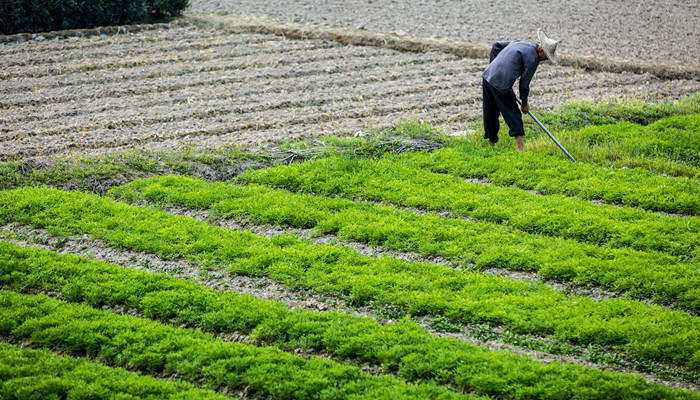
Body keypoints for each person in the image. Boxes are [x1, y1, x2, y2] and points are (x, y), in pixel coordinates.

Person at [481, 30, 559, 150]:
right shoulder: (533, 59)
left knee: (490, 110)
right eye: (547, 56)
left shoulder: (519, 43)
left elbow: (496, 46)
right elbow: (524, 83)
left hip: (487, 77)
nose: (546, 59)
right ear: (541, 50)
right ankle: (520, 148)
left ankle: (491, 144)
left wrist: (493, 66)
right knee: (513, 113)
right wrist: (524, 103)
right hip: (502, 83)